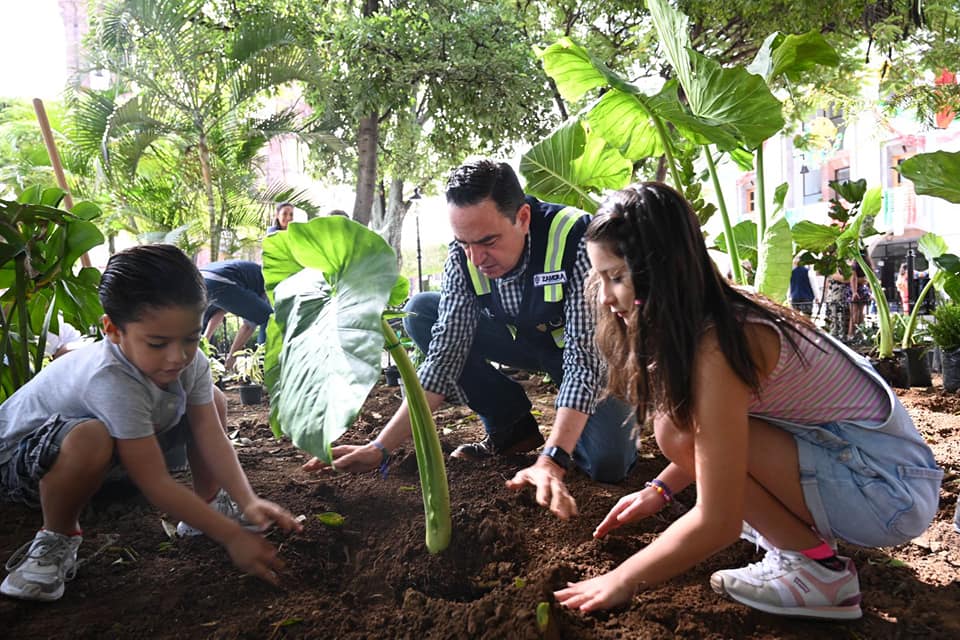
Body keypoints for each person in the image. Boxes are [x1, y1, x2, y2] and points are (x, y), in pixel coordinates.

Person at [553, 183, 941, 620]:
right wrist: (661, 490)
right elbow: (716, 436)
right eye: (599, 277)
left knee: (674, 429)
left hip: (888, 491)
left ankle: (816, 571)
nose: (605, 297)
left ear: (659, 271)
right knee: (676, 428)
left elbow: (717, 520)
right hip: (876, 474)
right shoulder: (713, 318)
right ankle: (809, 557)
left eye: (617, 277)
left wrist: (620, 579)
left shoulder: (720, 343)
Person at [304, 159, 637, 511]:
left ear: (522, 218)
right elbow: (446, 355)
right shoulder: (464, 257)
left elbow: (585, 362)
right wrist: (380, 447)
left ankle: (569, 442)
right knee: (422, 313)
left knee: (608, 463)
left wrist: (553, 458)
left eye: (488, 241)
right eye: (464, 243)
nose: (477, 258)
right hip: (518, 342)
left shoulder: (574, 238)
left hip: (582, 350)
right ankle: (510, 427)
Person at [0, 244, 301, 602]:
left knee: (213, 401)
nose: (178, 356)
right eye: (157, 343)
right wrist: (232, 536)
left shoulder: (191, 363)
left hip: (105, 459)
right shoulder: (109, 376)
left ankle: (209, 502)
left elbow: (211, 435)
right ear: (113, 330)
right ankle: (56, 538)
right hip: (21, 467)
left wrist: (247, 500)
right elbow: (153, 480)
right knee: (90, 437)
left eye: (191, 338)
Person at [200, 260, 272, 370]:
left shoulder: (250, 273)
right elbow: (248, 326)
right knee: (268, 318)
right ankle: (265, 364)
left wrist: (205, 339)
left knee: (206, 321)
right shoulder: (267, 282)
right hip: (222, 280)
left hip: (201, 280)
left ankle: (199, 355)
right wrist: (232, 357)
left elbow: (220, 311)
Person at [847, 254, 872, 340]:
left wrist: (854, 292)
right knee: (861, 314)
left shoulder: (855, 263)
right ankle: (860, 335)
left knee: (854, 314)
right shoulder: (867, 262)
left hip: (856, 290)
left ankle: (851, 335)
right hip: (863, 289)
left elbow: (853, 277)